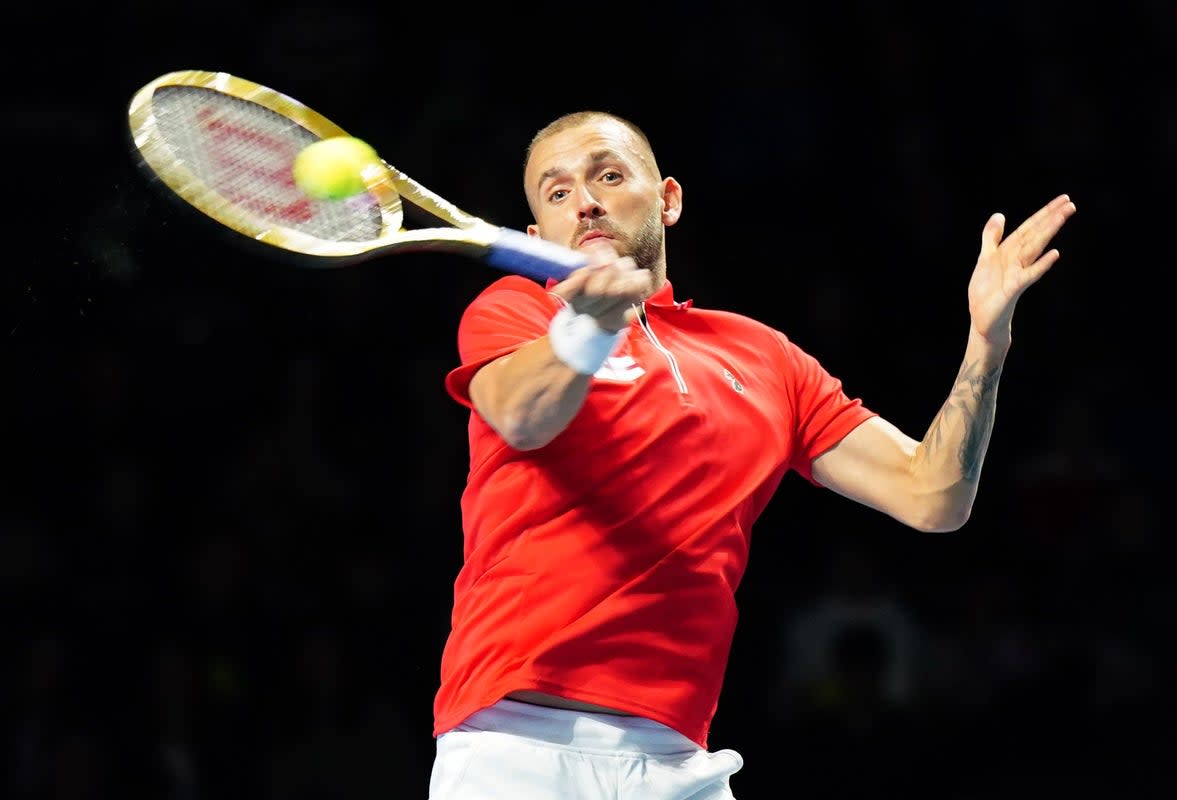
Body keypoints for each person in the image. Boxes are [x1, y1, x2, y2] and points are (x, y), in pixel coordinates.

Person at [427, 110, 1076, 800]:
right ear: (537, 236)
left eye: (608, 175)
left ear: (668, 199)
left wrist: (987, 339)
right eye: (557, 194)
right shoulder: (517, 314)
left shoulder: (762, 357)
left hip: (676, 756)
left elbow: (934, 496)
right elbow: (524, 417)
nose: (585, 201)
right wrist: (588, 327)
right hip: (517, 742)